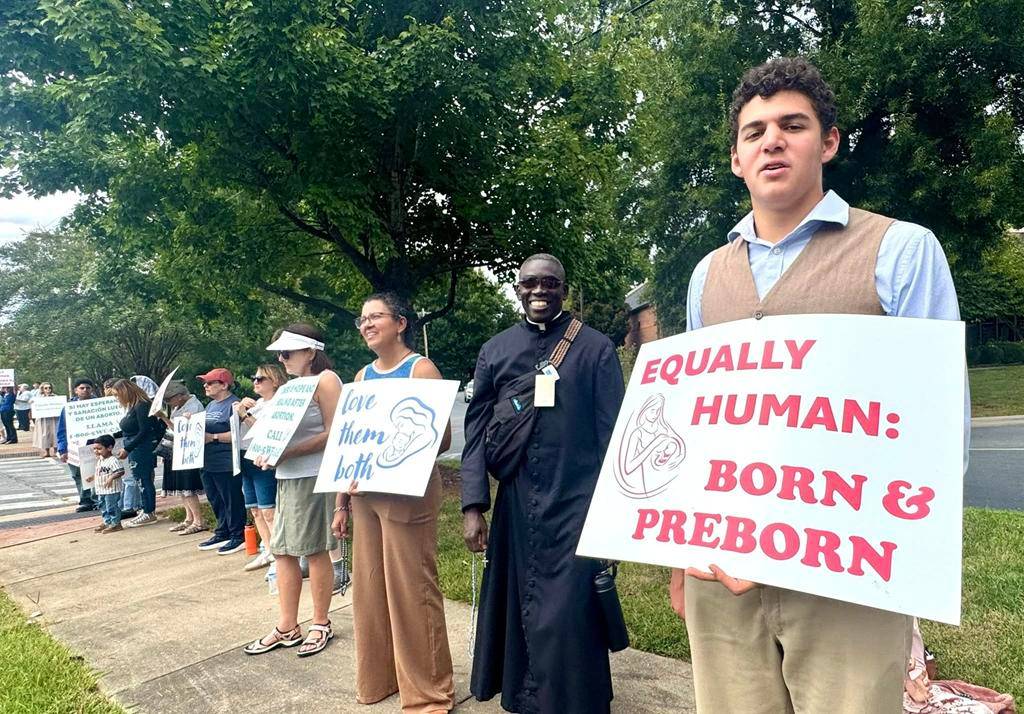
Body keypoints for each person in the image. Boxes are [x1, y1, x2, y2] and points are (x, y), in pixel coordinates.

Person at [671, 57, 965, 714]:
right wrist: (676, 552)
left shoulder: (902, 251)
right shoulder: (705, 276)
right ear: (736, 159)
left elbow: (938, 426)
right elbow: (696, 419)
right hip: (722, 573)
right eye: (755, 131)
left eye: (792, 125)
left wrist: (909, 558)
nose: (772, 140)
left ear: (828, 142)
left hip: (847, 576)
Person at [461, 254, 626, 714]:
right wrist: (473, 506)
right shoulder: (495, 350)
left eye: (550, 283)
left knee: (570, 610)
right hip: (516, 501)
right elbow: (475, 430)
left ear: (563, 288)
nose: (539, 290)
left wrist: (613, 514)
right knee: (520, 602)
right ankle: (528, 695)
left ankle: (577, 700)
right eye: (530, 283)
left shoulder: (595, 349)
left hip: (576, 502)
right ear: (517, 289)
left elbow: (614, 433)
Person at [331, 292, 455, 712]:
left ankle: (428, 693)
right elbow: (349, 446)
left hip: (408, 494)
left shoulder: (421, 369)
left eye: (376, 317)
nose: (366, 324)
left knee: (411, 589)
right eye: (362, 319)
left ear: (400, 323)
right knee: (369, 588)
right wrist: (340, 505)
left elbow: (444, 439)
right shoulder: (362, 377)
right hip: (364, 496)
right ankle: (380, 679)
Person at [244, 323, 341, 658]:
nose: (282, 359)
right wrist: (264, 447)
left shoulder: (326, 381)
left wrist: (288, 453)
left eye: (288, 352)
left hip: (313, 475)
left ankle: (320, 622)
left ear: (311, 352)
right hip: (285, 476)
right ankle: (287, 626)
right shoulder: (291, 388)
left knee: (314, 550)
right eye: (279, 354)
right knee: (283, 550)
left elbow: (335, 432)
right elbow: (274, 431)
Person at [235, 363, 287, 571]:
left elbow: (266, 430)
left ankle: (279, 553)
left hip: (264, 460)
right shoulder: (256, 403)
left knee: (269, 511)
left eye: (260, 379)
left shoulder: (279, 403)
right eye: (254, 378)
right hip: (248, 457)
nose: (255, 382)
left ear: (274, 381)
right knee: (255, 510)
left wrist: (244, 415)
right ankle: (268, 548)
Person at [194, 368, 246, 555]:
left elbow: (237, 434)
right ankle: (222, 530)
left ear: (224, 385)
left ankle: (237, 535)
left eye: (210, 383)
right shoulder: (211, 406)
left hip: (226, 460)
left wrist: (213, 437)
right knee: (215, 498)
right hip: (208, 460)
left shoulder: (235, 405)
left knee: (230, 498)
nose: (205, 387)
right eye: (204, 383)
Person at [110, 379, 164, 528]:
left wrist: (128, 448)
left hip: (142, 447)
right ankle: (145, 508)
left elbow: (144, 430)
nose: (117, 399)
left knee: (143, 479)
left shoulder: (142, 406)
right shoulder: (133, 406)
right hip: (135, 446)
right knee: (140, 479)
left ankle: (149, 510)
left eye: (117, 395)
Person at [159, 381, 207, 536]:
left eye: (169, 399)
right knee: (181, 487)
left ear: (179, 396)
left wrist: (164, 418)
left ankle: (198, 520)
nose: (168, 402)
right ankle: (189, 517)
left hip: (189, 450)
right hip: (178, 449)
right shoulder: (177, 407)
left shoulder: (194, 407)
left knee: (188, 488)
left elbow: (184, 430)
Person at [57, 378, 100, 513]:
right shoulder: (68, 408)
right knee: (77, 474)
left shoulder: (99, 405)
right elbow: (62, 429)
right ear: (76, 390)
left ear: (92, 389)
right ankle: (85, 500)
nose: (85, 390)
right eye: (82, 388)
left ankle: (97, 499)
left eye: (88, 388)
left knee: (96, 472)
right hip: (75, 446)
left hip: (94, 444)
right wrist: (62, 448)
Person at [88, 435, 126, 533]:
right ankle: (107, 522)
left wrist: (111, 477)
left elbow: (120, 471)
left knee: (111, 506)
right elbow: (100, 472)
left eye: (99, 449)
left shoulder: (113, 460)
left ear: (109, 448)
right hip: (101, 489)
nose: (96, 451)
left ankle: (116, 523)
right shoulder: (100, 460)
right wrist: (92, 477)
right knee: (103, 506)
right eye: (95, 449)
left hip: (111, 489)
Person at [30, 382, 59, 456]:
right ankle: (47, 451)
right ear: (42, 389)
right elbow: (31, 403)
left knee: (54, 433)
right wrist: (33, 403)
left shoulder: (56, 396)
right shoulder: (39, 398)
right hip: (43, 419)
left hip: (53, 418)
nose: (48, 389)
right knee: (45, 434)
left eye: (49, 387)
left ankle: (56, 450)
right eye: (46, 388)